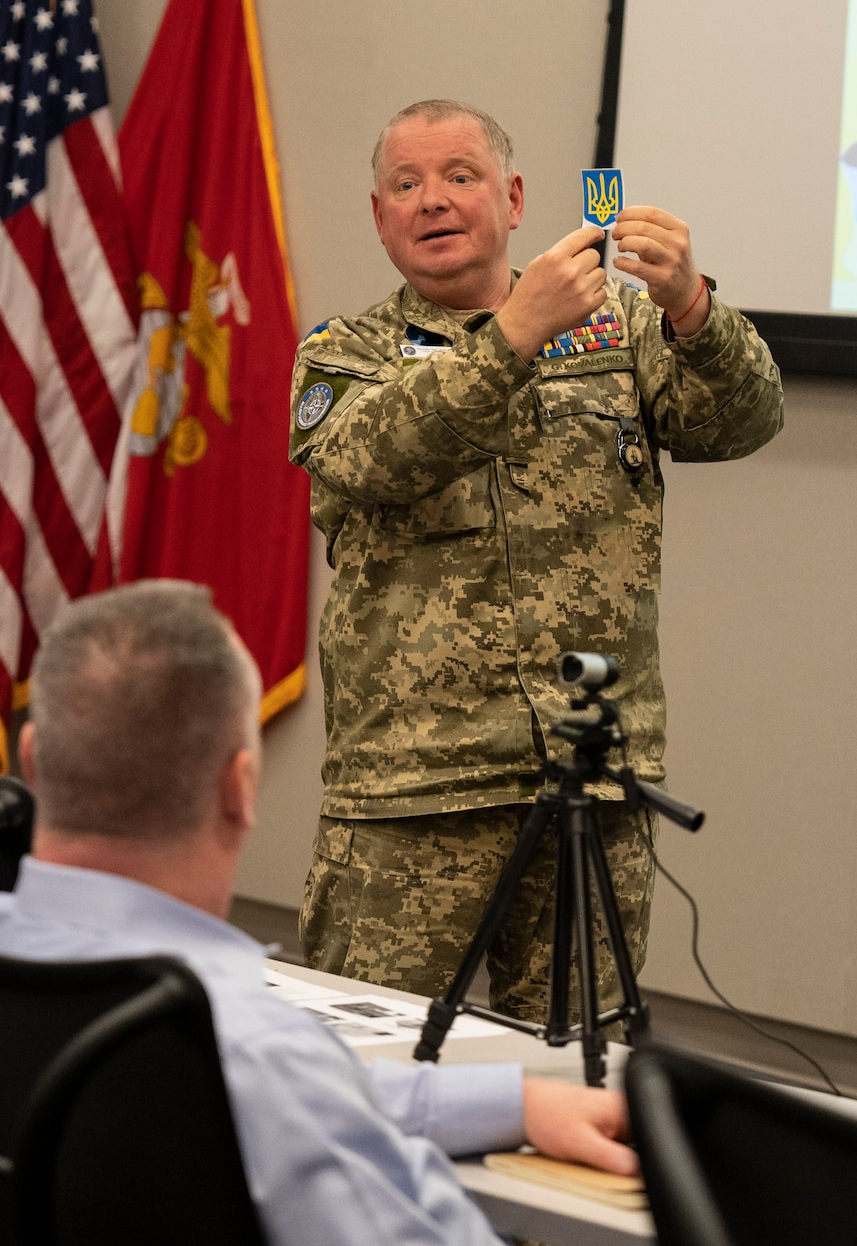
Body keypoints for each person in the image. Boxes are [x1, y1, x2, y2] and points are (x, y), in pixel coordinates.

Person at [289, 99, 784, 1022]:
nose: (432, 200)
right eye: (406, 184)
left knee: (575, 1067)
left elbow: (744, 421)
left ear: (512, 198)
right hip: (413, 790)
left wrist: (691, 306)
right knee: (361, 1069)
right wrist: (514, 335)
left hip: (588, 780)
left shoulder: (624, 331)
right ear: (378, 217)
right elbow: (366, 457)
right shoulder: (341, 354)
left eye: (459, 177)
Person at [0, 580, 636, 1246]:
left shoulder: (217, 1049)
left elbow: (296, 1092)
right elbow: (284, 1092)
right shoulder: (251, 1051)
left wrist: (514, 1103)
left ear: (33, 763)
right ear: (240, 789)